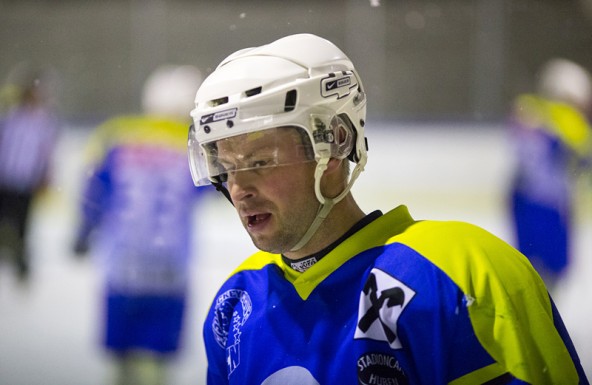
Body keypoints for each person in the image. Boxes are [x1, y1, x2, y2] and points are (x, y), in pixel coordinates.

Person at [188, 34, 589, 384]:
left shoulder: (458, 272)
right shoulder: (236, 303)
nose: (238, 188)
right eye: (227, 167)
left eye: (260, 162)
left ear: (336, 143)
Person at [73, 65, 207, 385]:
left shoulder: (119, 136)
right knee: (156, 366)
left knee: (122, 364)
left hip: (123, 269)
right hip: (170, 272)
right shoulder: (193, 146)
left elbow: (95, 190)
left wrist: (84, 230)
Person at [508, 58, 592, 291]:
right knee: (547, 271)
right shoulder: (567, 121)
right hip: (547, 205)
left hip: (529, 201)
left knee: (533, 268)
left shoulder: (528, 111)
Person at [0, 65, 60, 281]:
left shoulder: (45, 121)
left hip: (26, 180)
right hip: (5, 178)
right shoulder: (11, 115)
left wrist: (46, 177)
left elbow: (46, 153)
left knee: (23, 222)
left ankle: (20, 262)